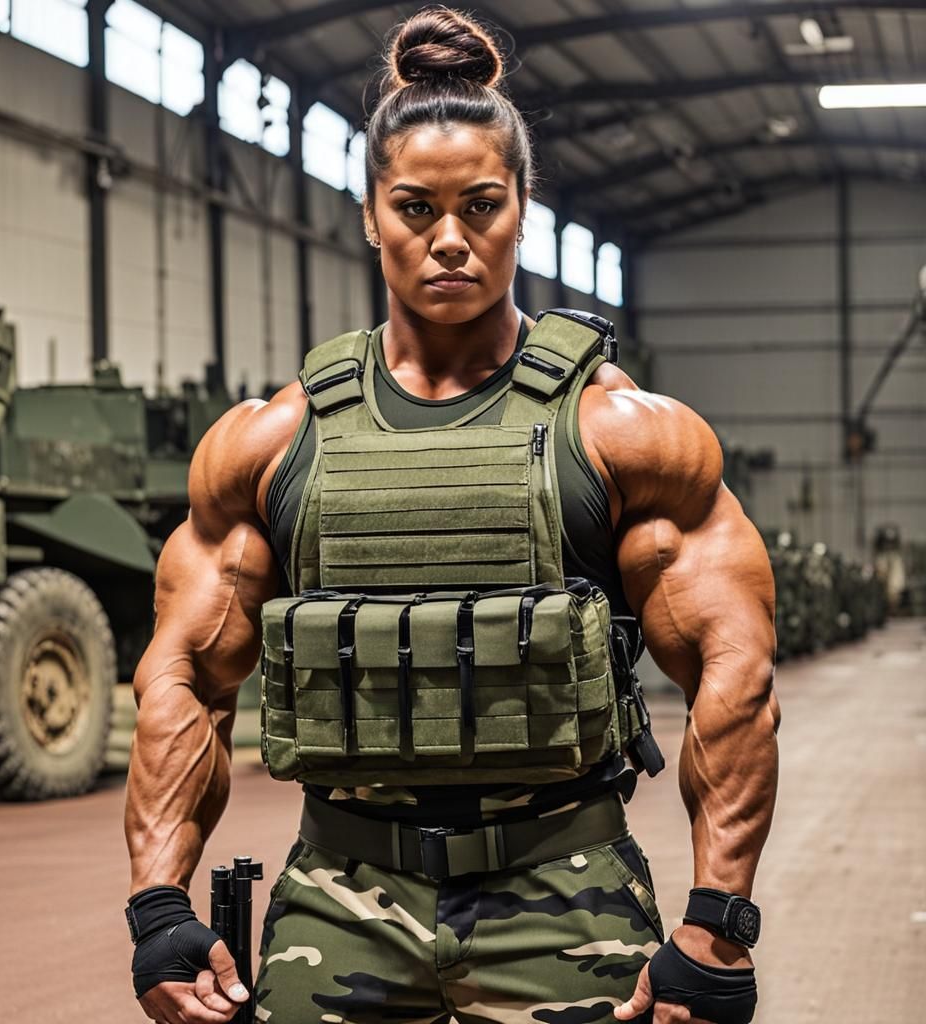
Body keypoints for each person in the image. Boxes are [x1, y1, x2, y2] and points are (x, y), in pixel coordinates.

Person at [123, 8, 780, 1024]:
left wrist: (717, 920)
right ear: (368, 215)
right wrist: (161, 904)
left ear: (521, 206)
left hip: (567, 896)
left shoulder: (621, 433)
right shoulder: (270, 441)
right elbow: (185, 677)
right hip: (336, 902)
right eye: (413, 208)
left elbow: (734, 674)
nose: (447, 241)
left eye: (480, 206)